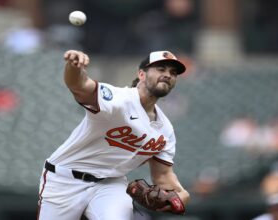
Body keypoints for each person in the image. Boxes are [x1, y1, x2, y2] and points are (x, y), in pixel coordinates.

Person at [37, 50, 190, 220]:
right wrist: (74, 67)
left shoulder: (166, 130)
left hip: (111, 184)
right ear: (141, 74)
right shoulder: (118, 99)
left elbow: (162, 175)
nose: (168, 75)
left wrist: (182, 195)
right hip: (64, 179)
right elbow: (78, 85)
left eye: (173, 73)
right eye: (161, 69)